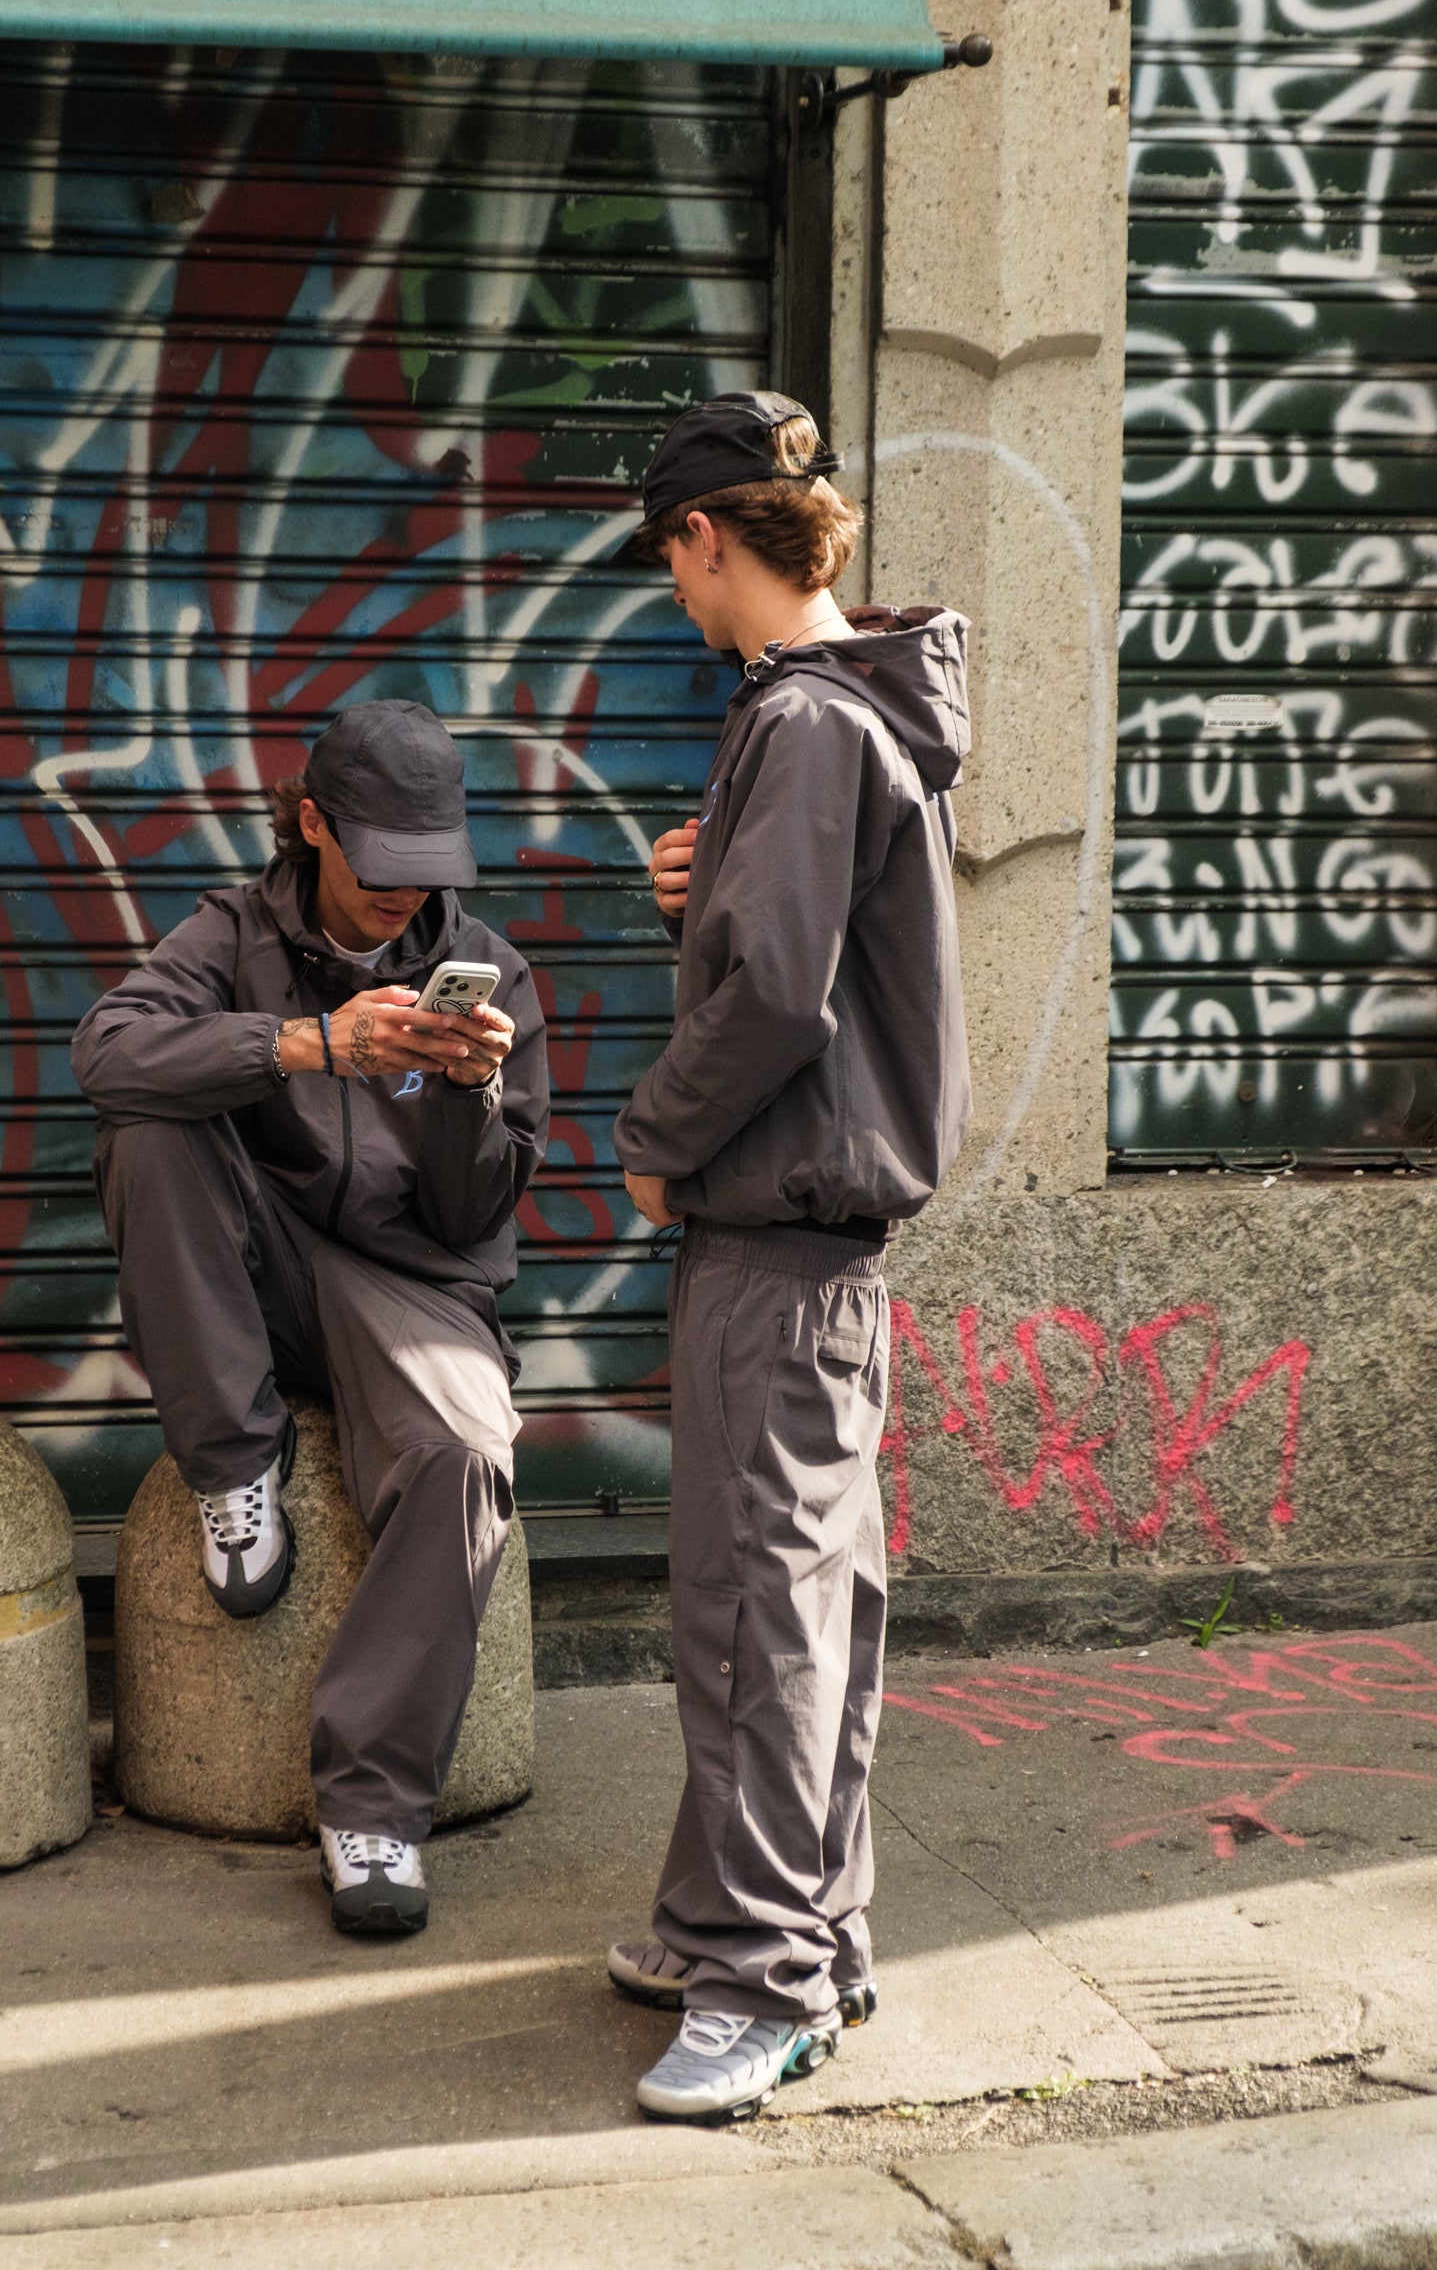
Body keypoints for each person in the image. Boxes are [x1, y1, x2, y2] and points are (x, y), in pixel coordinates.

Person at [604, 390, 971, 2124]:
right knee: (794, 1602)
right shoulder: (823, 717)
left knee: (760, 1616)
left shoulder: (812, 730)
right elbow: (780, 952)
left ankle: (766, 1984)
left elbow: (774, 1000)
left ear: (709, 540)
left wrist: (653, 1137)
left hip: (780, 1235)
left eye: (671, 563)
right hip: (813, 1248)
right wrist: (709, 896)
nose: (674, 598)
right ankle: (761, 1924)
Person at [71, 700, 548, 1938]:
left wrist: (467, 1092)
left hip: (410, 1284)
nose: (405, 895)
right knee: (147, 1121)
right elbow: (107, 1051)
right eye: (381, 864)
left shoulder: (492, 967)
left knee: (463, 1458)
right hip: (255, 1262)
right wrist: (301, 1044)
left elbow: (475, 1217)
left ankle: (375, 1807)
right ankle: (237, 1470)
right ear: (313, 823)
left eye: (429, 867)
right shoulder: (234, 932)